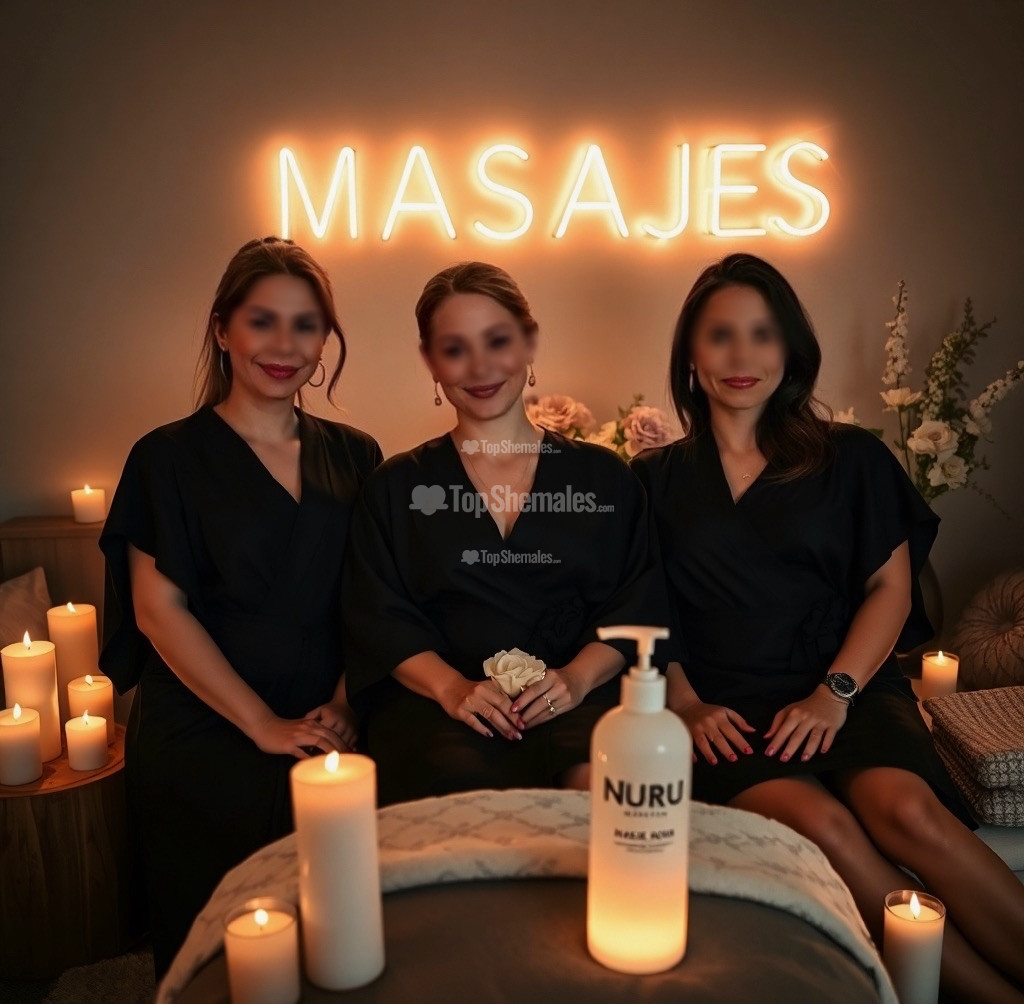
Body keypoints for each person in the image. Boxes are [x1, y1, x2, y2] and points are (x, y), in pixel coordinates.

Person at [631, 252, 1024, 1002]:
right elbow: (645, 607)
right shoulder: (651, 479)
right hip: (724, 711)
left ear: (790, 349)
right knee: (824, 826)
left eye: (762, 334)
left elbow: (891, 588)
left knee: (908, 812)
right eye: (720, 335)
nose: (742, 356)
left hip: (845, 684)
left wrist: (834, 692)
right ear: (690, 353)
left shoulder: (852, 457)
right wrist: (683, 703)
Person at [99, 237, 381, 978]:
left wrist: (345, 703)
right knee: (218, 958)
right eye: (263, 321)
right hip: (206, 717)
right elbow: (158, 610)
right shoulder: (165, 457)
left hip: (328, 708)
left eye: (305, 325)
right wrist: (260, 723)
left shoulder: (357, 454)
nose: (285, 346)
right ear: (223, 329)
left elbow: (373, 598)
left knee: (339, 943)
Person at [342, 261, 659, 806]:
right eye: (455, 348)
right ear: (432, 362)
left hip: (580, 700)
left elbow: (639, 598)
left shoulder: (604, 477)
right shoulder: (395, 486)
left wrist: (576, 679)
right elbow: (377, 616)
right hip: (441, 711)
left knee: (600, 796)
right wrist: (452, 688)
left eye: (497, 340)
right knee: (466, 802)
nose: (480, 366)